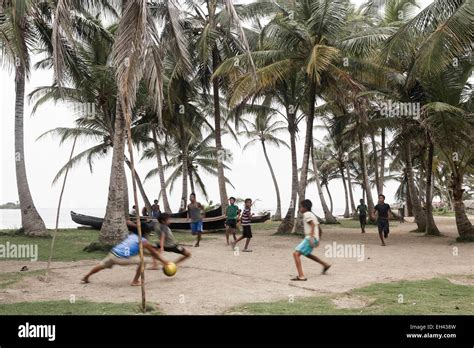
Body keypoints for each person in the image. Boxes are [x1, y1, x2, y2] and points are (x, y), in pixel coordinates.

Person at [81, 225, 170, 286]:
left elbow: (139, 250)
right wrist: (164, 262)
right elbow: (153, 253)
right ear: (146, 233)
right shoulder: (143, 241)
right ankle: (135, 281)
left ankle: (86, 276)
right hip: (121, 258)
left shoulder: (131, 236)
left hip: (113, 253)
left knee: (102, 265)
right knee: (144, 261)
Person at [291, 199, 331, 281]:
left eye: (300, 207)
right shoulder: (312, 215)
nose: (299, 208)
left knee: (296, 254)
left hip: (310, 238)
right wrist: (318, 239)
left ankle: (301, 276)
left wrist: (312, 237)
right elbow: (319, 228)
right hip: (314, 238)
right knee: (307, 254)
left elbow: (312, 225)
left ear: (305, 207)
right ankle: (325, 265)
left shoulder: (306, 214)